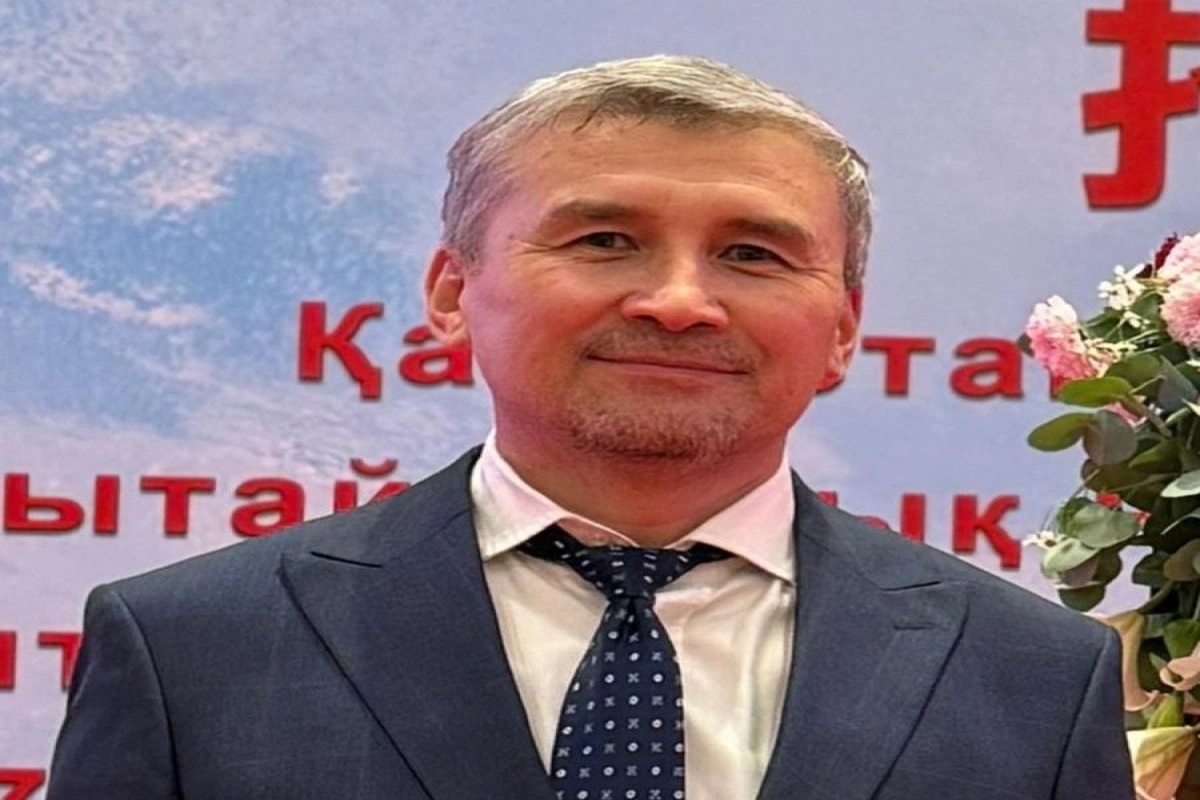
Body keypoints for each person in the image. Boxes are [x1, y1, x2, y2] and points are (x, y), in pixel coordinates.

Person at [47, 55, 1133, 800]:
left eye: (752, 254)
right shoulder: (191, 647)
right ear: (451, 291)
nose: (679, 301)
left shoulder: (1031, 675)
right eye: (605, 240)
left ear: (844, 327)